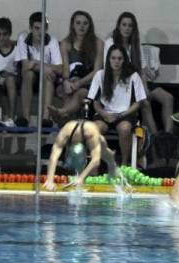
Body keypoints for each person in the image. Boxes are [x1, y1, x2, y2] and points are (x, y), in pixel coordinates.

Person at [104, 12, 170, 147]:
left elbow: (141, 69)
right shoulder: (110, 42)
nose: (127, 28)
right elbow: (110, 69)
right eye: (124, 25)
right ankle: (157, 141)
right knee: (145, 104)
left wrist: (147, 78)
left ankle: (168, 137)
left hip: (137, 83)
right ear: (118, 26)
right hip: (120, 86)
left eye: (130, 26)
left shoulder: (135, 43)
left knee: (167, 97)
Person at [87, 44, 146, 166]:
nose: (116, 61)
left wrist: (120, 115)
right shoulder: (100, 75)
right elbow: (95, 103)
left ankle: (124, 164)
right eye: (113, 58)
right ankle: (97, 164)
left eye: (120, 58)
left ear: (124, 60)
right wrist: (105, 115)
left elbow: (138, 103)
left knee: (124, 129)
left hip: (126, 114)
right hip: (105, 113)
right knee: (94, 129)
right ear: (108, 60)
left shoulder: (133, 76)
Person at [49, 11, 103, 123]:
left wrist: (79, 83)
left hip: (91, 83)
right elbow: (65, 68)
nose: (81, 26)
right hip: (72, 81)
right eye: (78, 23)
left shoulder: (98, 43)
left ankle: (62, 113)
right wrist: (66, 81)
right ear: (72, 25)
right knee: (67, 90)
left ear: (90, 26)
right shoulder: (65, 43)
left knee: (81, 93)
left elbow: (97, 70)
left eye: (85, 23)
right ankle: (65, 121)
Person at [15, 12, 63, 128]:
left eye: (43, 29)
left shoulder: (52, 41)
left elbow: (60, 70)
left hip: (47, 78)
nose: (40, 32)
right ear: (30, 28)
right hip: (29, 77)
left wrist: (37, 63)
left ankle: (45, 119)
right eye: (36, 28)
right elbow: (25, 67)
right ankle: (25, 118)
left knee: (48, 77)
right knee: (29, 74)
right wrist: (45, 67)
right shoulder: (23, 38)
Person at [43, 120, 118, 191]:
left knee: (104, 151)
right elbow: (53, 157)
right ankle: (109, 154)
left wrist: (81, 178)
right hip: (76, 131)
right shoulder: (65, 133)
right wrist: (50, 180)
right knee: (102, 148)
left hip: (91, 132)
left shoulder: (91, 133)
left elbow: (96, 160)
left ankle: (112, 163)